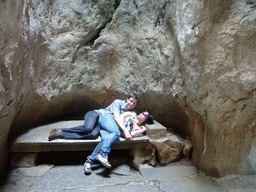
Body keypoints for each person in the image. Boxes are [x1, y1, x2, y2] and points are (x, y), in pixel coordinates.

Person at [83, 110, 154, 175]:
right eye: (142, 112)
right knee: (116, 133)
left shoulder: (137, 128)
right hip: (109, 120)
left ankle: (88, 163)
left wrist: (143, 129)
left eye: (144, 115)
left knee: (104, 140)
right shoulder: (132, 114)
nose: (141, 113)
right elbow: (121, 117)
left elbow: (132, 134)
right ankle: (103, 154)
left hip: (108, 129)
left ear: (146, 120)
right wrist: (125, 130)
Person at [48, 93, 139, 141]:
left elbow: (133, 122)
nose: (131, 104)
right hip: (96, 115)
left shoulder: (132, 112)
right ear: (127, 99)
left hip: (101, 124)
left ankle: (60, 134)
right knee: (88, 128)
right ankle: (61, 130)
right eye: (131, 101)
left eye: (134, 103)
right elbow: (116, 117)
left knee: (93, 135)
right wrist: (126, 131)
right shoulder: (118, 102)